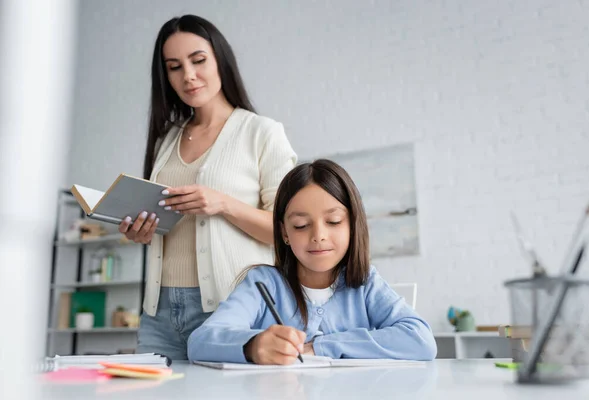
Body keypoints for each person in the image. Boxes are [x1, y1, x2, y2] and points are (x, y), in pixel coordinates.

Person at [117, 15, 297, 360]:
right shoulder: (165, 141)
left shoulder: (262, 132)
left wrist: (223, 204)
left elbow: (287, 232)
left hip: (232, 307)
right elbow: (165, 226)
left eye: (198, 60)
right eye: (174, 66)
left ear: (220, 60)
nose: (188, 75)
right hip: (160, 311)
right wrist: (142, 231)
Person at [187, 159, 437, 364]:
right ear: (284, 233)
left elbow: (420, 340)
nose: (318, 236)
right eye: (301, 225)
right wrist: (253, 346)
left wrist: (320, 346)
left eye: (334, 222)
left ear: (352, 226)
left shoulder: (366, 284)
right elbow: (200, 341)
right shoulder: (262, 284)